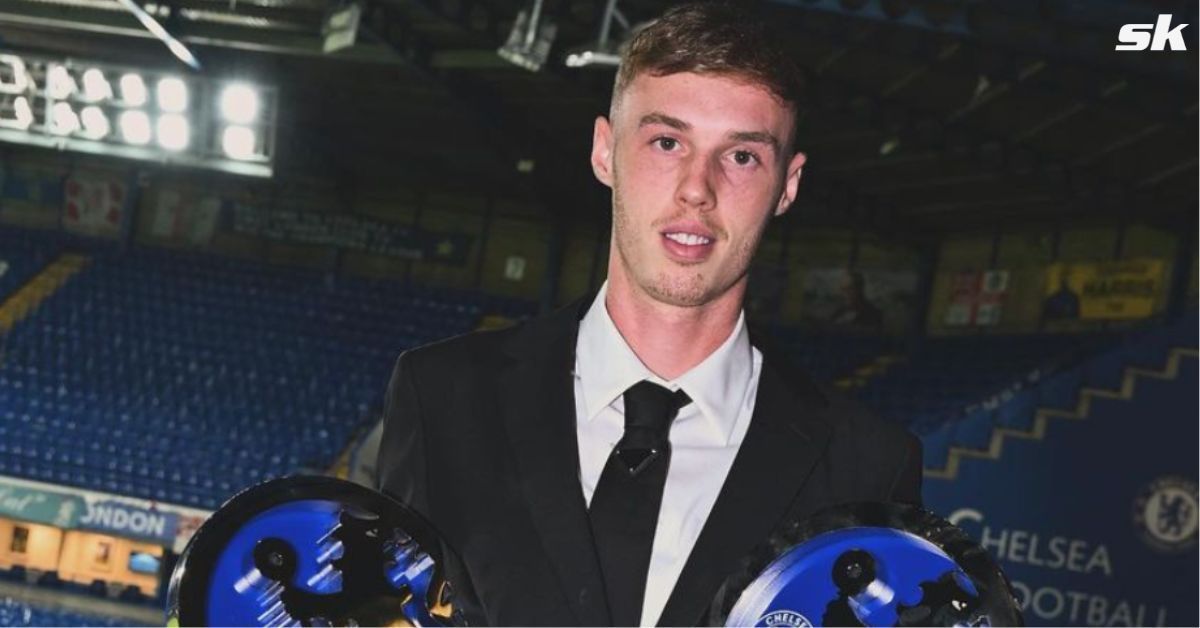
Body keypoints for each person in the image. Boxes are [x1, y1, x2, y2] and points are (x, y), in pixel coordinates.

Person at [376, 3, 922, 626]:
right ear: (605, 151)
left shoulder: (869, 466)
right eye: (667, 142)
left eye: (742, 156)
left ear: (788, 186)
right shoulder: (442, 397)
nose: (698, 188)